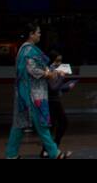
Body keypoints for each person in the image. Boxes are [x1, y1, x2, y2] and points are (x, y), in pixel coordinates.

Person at [5, 22, 69, 159]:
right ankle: (54, 153)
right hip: (32, 94)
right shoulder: (29, 50)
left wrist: (50, 72)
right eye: (38, 32)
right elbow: (33, 69)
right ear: (31, 34)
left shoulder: (24, 49)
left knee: (19, 124)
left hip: (23, 93)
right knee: (41, 123)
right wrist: (49, 74)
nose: (40, 35)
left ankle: (11, 154)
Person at [43, 51, 71, 154]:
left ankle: (49, 150)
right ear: (51, 60)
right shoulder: (48, 70)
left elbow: (57, 87)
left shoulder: (56, 70)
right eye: (57, 60)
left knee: (54, 125)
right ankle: (52, 149)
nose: (59, 63)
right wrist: (62, 77)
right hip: (51, 101)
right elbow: (53, 87)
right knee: (61, 123)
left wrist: (67, 87)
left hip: (55, 100)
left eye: (61, 61)